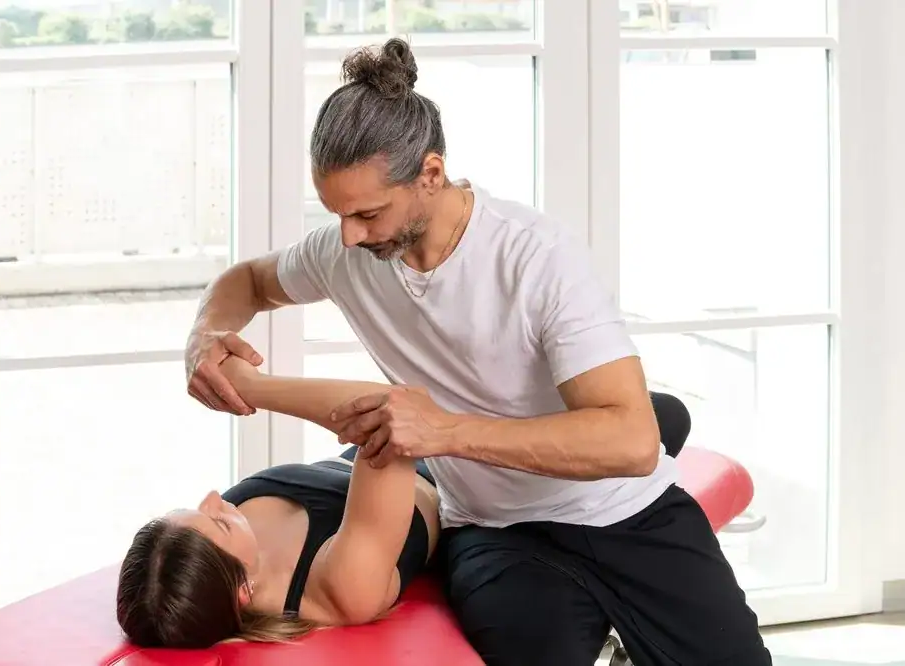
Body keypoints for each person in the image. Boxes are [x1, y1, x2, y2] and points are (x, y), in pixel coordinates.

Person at [184, 36, 772, 666]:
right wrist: (203, 337)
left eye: (368, 214)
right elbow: (246, 282)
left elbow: (631, 445)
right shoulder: (346, 252)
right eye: (337, 214)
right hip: (496, 527)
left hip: (621, 510)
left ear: (430, 175)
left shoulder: (535, 257)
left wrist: (445, 433)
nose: (349, 236)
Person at [116, 355, 440, 648]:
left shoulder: (223, 551)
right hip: (451, 470)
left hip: (392, 447)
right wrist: (248, 386)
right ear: (243, 590)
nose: (214, 498)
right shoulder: (345, 588)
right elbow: (395, 410)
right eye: (219, 523)